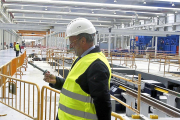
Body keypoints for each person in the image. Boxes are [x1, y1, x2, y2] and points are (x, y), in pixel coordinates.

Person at [43, 18, 112, 120]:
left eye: (72, 42)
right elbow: (77, 87)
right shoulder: (81, 58)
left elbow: (103, 104)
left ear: (83, 41)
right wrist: (57, 81)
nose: (71, 46)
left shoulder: (96, 65)